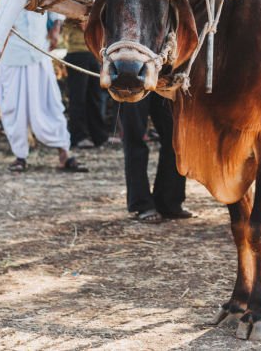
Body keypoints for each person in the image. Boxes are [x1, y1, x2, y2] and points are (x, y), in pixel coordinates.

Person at [0, 9, 87, 173]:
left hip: (39, 50)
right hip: (11, 53)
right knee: (14, 108)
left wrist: (56, 27)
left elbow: (55, 3)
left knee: (51, 103)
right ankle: (20, 156)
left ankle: (64, 153)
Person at [120, 92, 190, 222]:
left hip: (166, 75)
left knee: (176, 135)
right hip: (132, 77)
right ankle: (142, 204)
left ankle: (169, 201)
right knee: (135, 137)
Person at [63, 27, 111, 148]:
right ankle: (79, 137)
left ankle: (99, 136)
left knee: (95, 97)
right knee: (78, 98)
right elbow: (84, 25)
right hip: (77, 53)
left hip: (94, 52)